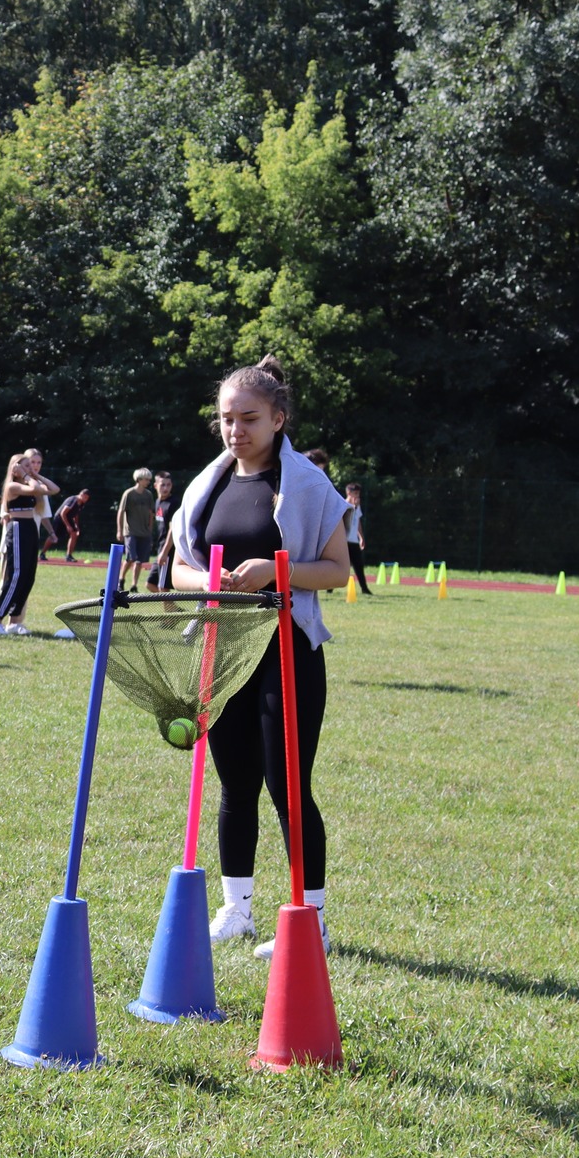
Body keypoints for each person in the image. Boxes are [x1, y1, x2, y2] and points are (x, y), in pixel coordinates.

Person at [173, 355, 350, 957]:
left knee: (287, 786)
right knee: (234, 784)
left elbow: (335, 570)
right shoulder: (209, 485)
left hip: (286, 652)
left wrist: (272, 574)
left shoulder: (305, 484)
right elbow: (179, 568)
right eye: (226, 418)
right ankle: (236, 910)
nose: (235, 429)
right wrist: (213, 585)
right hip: (225, 651)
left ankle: (311, 920)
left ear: (279, 418)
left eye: (248, 418)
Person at [0, 450, 55, 633]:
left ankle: (15, 621)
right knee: (16, 575)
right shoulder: (13, 487)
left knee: (28, 576)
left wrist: (35, 474)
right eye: (27, 465)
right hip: (17, 528)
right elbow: (35, 488)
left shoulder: (29, 482)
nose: (31, 468)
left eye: (33, 464)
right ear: (16, 468)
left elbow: (54, 489)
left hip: (30, 529)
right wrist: (28, 475)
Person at [117, 468, 156, 591]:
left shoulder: (148, 495)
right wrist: (119, 530)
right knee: (130, 558)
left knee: (140, 561)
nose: (148, 482)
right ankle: (121, 580)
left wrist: (150, 528)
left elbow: (151, 513)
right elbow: (121, 512)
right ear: (138, 480)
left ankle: (134, 585)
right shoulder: (129, 493)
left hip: (144, 533)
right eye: (146, 479)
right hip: (131, 532)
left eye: (149, 479)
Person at [145, 471, 177, 592]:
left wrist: (164, 552)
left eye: (168, 485)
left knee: (163, 586)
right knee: (150, 583)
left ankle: (169, 610)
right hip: (161, 548)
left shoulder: (173, 503)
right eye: (162, 485)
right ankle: (173, 609)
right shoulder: (158, 502)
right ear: (155, 485)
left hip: (168, 549)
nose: (165, 488)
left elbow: (172, 529)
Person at [342, 482, 372, 595]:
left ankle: (364, 588)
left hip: (353, 541)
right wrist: (354, 507)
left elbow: (357, 521)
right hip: (344, 541)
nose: (357, 496)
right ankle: (330, 589)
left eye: (358, 494)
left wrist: (361, 537)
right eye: (355, 493)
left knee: (359, 565)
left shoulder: (357, 507)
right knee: (341, 565)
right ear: (348, 493)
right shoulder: (344, 505)